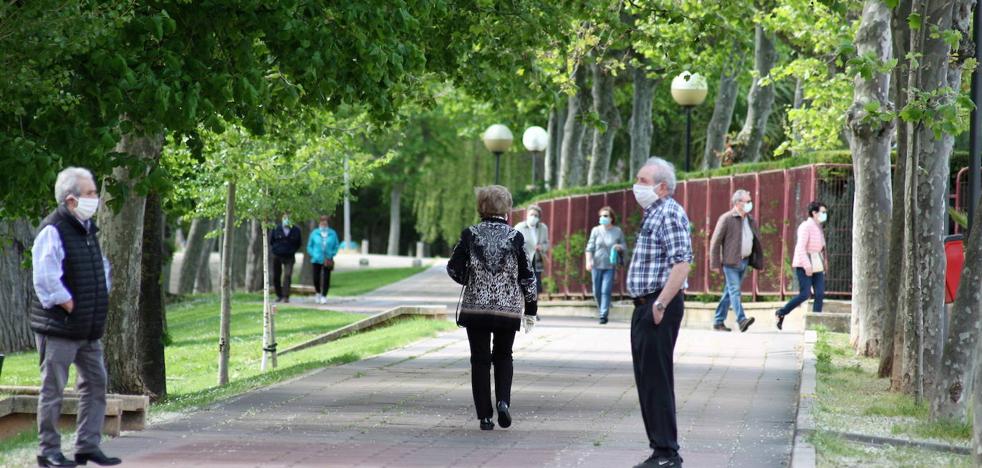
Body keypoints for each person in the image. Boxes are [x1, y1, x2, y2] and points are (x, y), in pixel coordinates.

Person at [31, 167, 122, 467]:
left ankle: (87, 445)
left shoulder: (87, 230)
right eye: (91, 193)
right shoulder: (53, 230)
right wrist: (72, 305)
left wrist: (96, 300)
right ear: (71, 200)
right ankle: (49, 451)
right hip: (60, 327)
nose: (96, 198)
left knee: (96, 383)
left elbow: (101, 270)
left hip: (87, 328)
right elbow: (46, 280)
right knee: (53, 389)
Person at [447, 185, 537, 431]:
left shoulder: (470, 234)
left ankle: (485, 417)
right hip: (507, 308)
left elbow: (453, 267)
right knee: (504, 355)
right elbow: (528, 277)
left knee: (480, 359)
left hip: (476, 309)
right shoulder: (515, 237)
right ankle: (503, 402)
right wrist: (531, 309)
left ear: (481, 207)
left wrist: (470, 278)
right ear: (507, 208)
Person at [626, 157, 693, 468]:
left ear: (662, 187)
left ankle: (667, 453)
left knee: (657, 379)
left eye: (642, 180)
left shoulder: (668, 213)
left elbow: (682, 263)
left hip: (657, 305)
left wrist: (661, 304)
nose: (636, 186)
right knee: (646, 379)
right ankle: (659, 449)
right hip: (645, 305)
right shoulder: (653, 214)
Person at [708, 189, 763, 332]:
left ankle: (718, 321)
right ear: (738, 203)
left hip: (744, 261)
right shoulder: (726, 218)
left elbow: (756, 240)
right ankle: (741, 320)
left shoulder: (750, 220)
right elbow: (715, 241)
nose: (750, 204)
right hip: (730, 262)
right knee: (734, 290)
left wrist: (758, 259)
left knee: (729, 291)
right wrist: (714, 263)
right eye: (748, 201)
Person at [775, 201, 828, 330]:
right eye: (823, 212)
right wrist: (807, 265)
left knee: (820, 293)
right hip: (804, 264)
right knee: (805, 294)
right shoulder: (806, 226)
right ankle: (781, 312)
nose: (825, 215)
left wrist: (824, 262)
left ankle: (815, 324)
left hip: (817, 264)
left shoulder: (819, 227)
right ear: (814, 213)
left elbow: (821, 248)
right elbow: (800, 247)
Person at [585, 206, 627, 324]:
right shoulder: (596, 230)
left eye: (605, 216)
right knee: (596, 291)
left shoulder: (617, 231)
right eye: (601, 216)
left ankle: (603, 314)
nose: (602, 218)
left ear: (611, 218)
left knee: (605, 290)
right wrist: (588, 261)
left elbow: (624, 246)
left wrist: (619, 247)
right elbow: (589, 247)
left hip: (610, 266)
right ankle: (603, 306)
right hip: (596, 265)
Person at [513, 205, 549, 296]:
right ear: (527, 215)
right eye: (531, 214)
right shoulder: (519, 227)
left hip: (537, 259)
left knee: (536, 283)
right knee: (523, 281)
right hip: (523, 259)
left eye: (536, 216)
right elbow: (513, 243)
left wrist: (542, 247)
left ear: (539, 218)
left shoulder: (543, 228)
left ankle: (533, 304)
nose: (533, 217)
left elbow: (546, 243)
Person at [306, 215, 339, 304]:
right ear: (319, 223)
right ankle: (317, 292)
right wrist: (313, 254)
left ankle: (324, 295)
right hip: (316, 259)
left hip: (327, 259)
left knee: (326, 278)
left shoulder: (332, 233)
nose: (324, 223)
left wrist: (332, 254)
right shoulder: (314, 233)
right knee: (316, 278)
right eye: (322, 222)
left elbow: (336, 245)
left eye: (325, 222)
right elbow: (309, 246)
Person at [270, 213, 302, 303]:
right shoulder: (276, 228)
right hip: (277, 255)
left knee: (287, 275)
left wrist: (292, 250)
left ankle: (285, 296)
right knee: (276, 276)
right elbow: (271, 241)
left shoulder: (296, 230)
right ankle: (279, 295)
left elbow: (299, 243)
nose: (286, 220)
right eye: (285, 218)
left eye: (288, 218)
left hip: (289, 256)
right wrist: (277, 249)